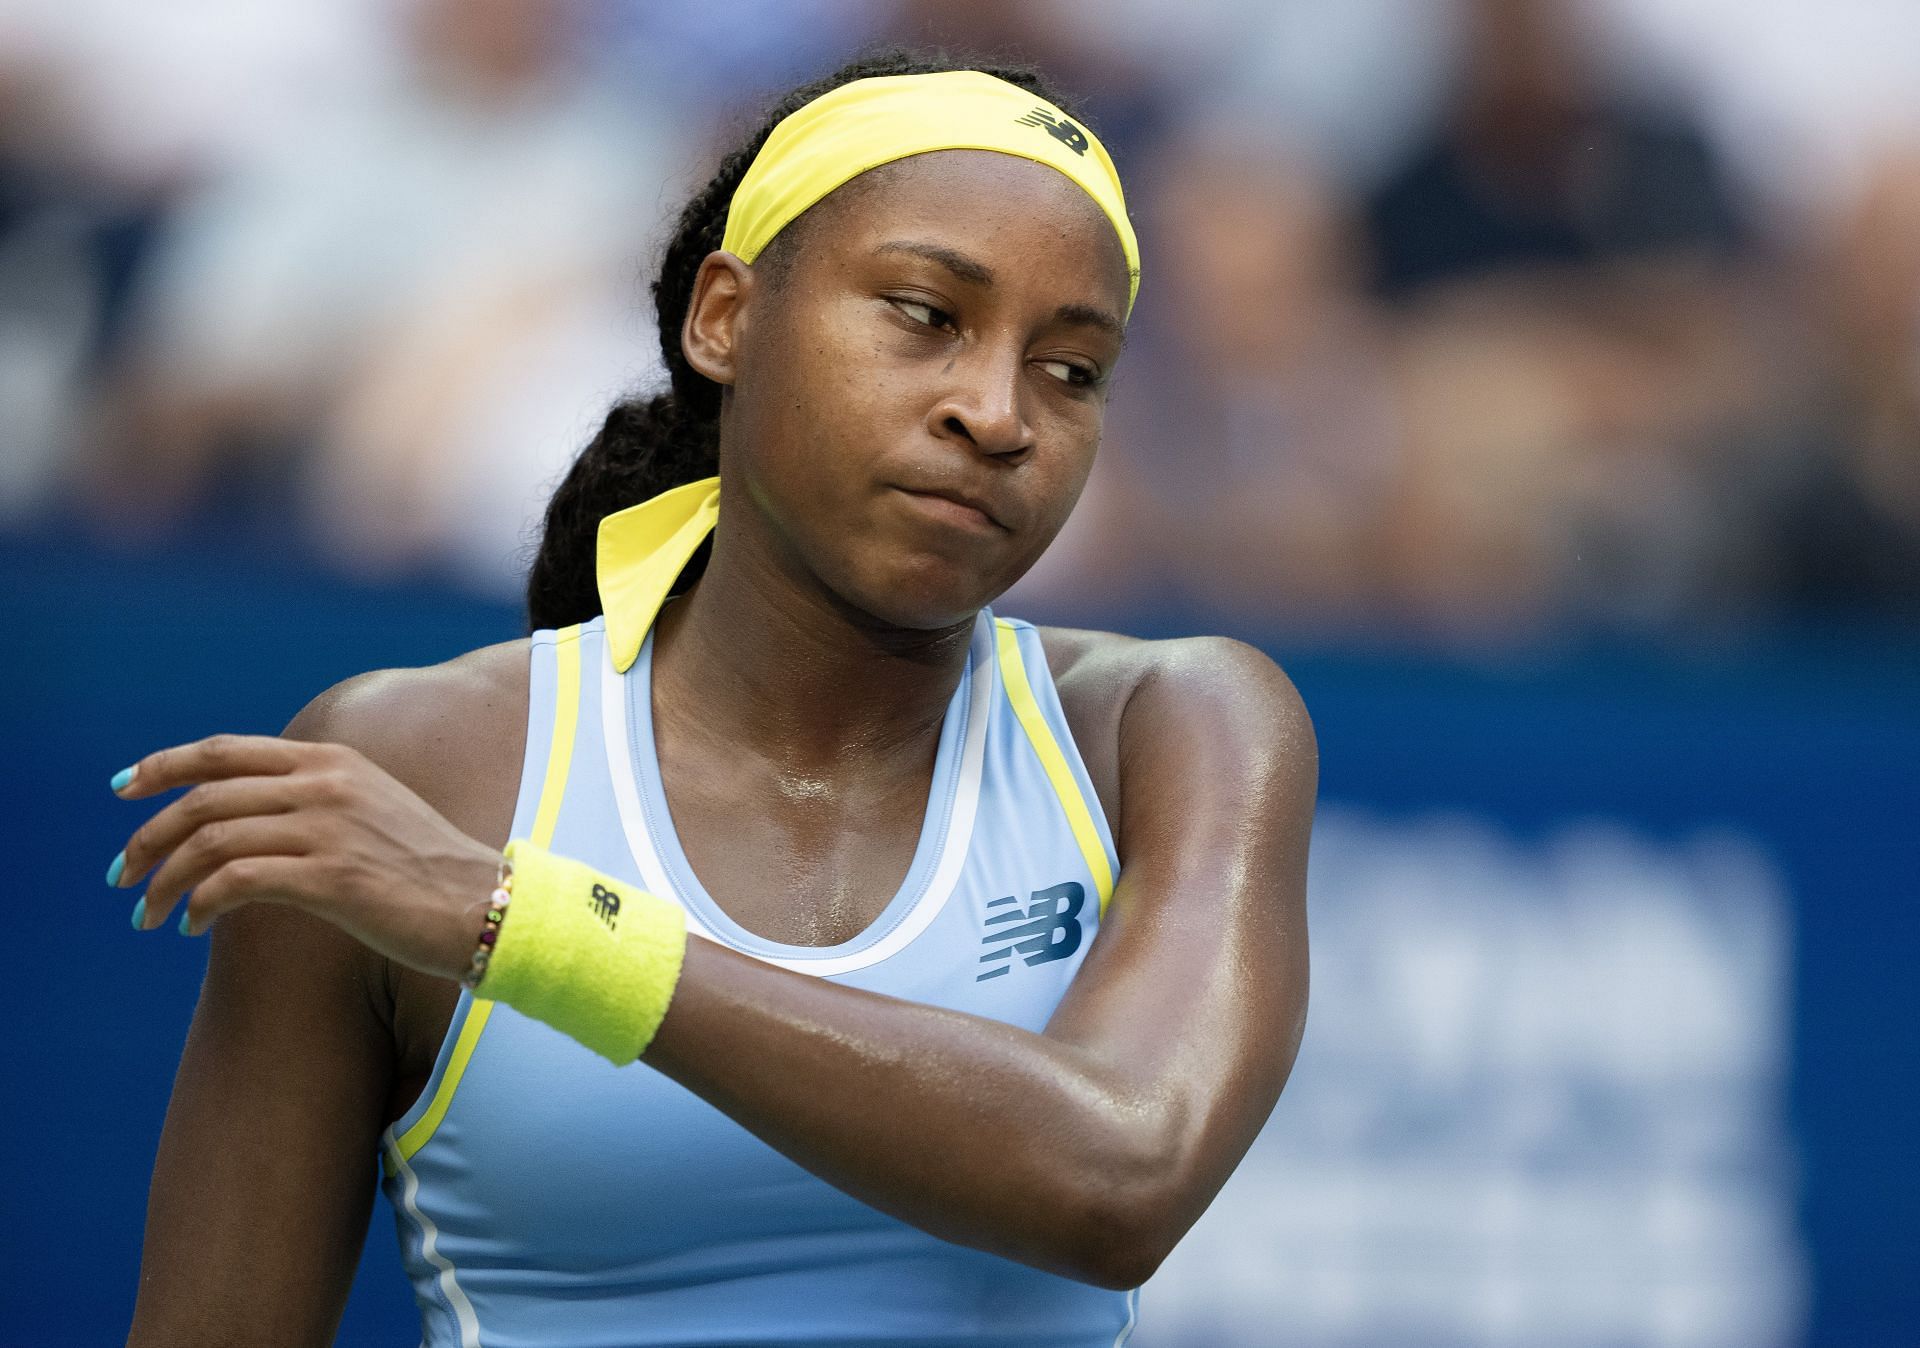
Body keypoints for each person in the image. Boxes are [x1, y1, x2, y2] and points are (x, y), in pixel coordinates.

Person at [114, 51, 1316, 1347]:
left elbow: (1121, 1178)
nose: (996, 411)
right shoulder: (406, 769)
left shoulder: (1177, 726)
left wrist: (522, 922)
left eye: (1071, 370)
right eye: (924, 314)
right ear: (725, 318)